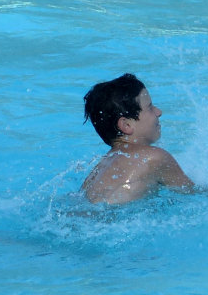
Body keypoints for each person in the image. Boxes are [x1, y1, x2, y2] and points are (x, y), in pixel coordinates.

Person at [81, 73, 201, 204]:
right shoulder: (155, 158)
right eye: (150, 107)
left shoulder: (98, 170)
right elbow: (195, 196)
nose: (159, 112)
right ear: (126, 125)